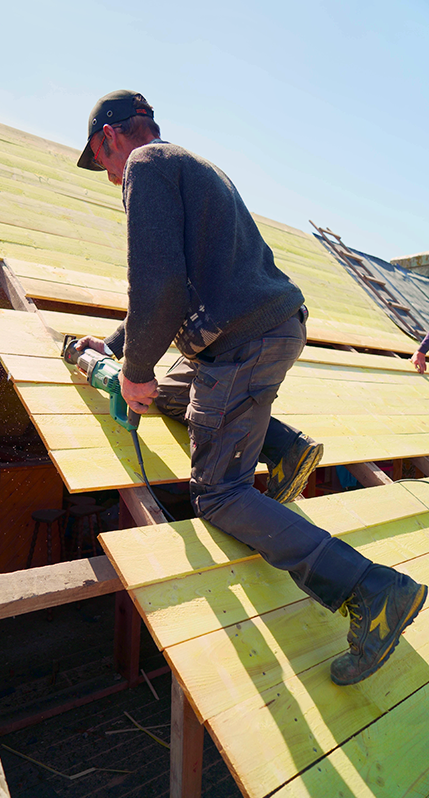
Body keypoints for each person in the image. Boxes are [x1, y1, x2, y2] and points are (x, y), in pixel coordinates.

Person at [76, 89, 427, 685]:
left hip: (239, 347)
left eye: (99, 161)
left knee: (217, 493)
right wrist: (111, 350)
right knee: (172, 393)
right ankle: (284, 447)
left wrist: (132, 373)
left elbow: (156, 284)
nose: (107, 177)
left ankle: (372, 593)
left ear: (110, 137)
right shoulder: (192, 164)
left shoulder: (143, 167)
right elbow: (176, 286)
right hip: (262, 333)